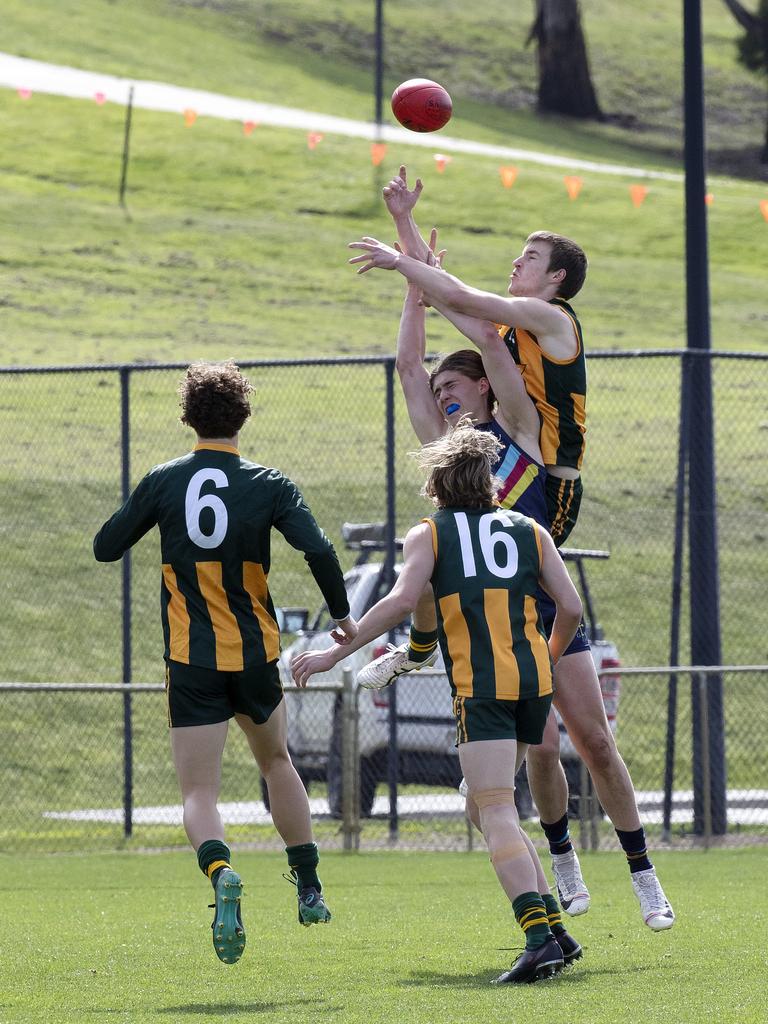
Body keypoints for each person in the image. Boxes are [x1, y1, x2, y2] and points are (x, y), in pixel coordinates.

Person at [348, 231, 676, 933]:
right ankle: (561, 860)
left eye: (455, 388)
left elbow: (475, 320)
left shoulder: (524, 418)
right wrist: (413, 258)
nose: (446, 397)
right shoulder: (450, 452)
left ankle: (644, 875)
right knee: (535, 748)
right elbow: (431, 341)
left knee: (591, 739)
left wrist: (406, 259)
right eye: (442, 392)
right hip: (490, 617)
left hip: (541, 585)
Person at [292, 423, 585, 984]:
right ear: (490, 480)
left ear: (438, 480)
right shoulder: (530, 530)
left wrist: (335, 653)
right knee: (483, 806)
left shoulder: (429, 532)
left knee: (494, 806)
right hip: (532, 682)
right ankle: (556, 929)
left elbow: (404, 598)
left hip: (483, 688)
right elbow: (568, 608)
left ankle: (538, 940)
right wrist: (547, 656)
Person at [93, 360, 357, 964]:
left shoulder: (165, 480)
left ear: (188, 417)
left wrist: (147, 506)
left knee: (199, 792)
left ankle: (221, 875)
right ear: (243, 418)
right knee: (277, 762)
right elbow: (317, 547)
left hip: (192, 660)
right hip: (257, 653)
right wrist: (341, 613)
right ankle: (310, 887)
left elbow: (106, 547)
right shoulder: (268, 482)